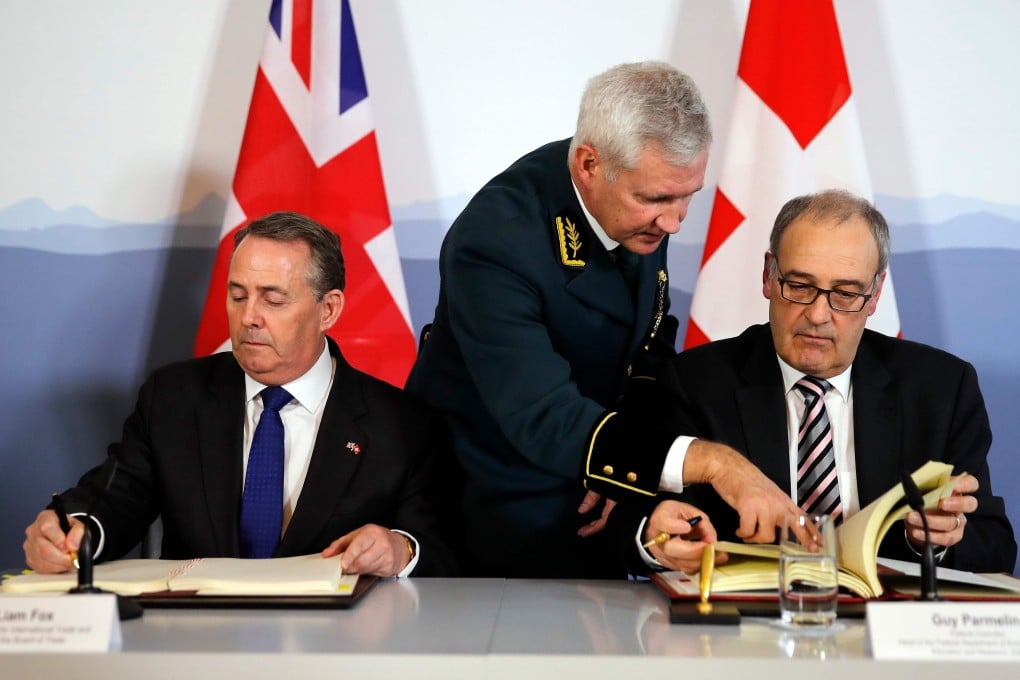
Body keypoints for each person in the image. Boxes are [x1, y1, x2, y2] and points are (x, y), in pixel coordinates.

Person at [406, 61, 797, 577]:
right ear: (589, 165)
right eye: (657, 199)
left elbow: (647, 348)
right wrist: (716, 463)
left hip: (590, 490)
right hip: (489, 511)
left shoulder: (630, 193)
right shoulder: (495, 241)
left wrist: (625, 471)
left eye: (688, 197)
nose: (676, 222)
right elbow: (543, 416)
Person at [592, 189, 1016, 574]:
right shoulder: (695, 382)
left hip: (885, 639)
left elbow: (995, 545)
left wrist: (932, 542)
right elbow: (626, 523)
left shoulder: (941, 388)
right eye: (799, 286)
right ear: (768, 276)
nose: (818, 314)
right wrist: (654, 539)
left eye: (846, 294)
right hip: (746, 637)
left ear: (875, 294)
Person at [24, 211, 456, 577]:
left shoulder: (399, 422)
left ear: (329, 309)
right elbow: (116, 498)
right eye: (237, 295)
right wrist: (73, 532)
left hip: (337, 650)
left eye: (273, 300)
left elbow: (438, 543)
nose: (248, 317)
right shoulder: (174, 398)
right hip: (195, 644)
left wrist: (399, 549)